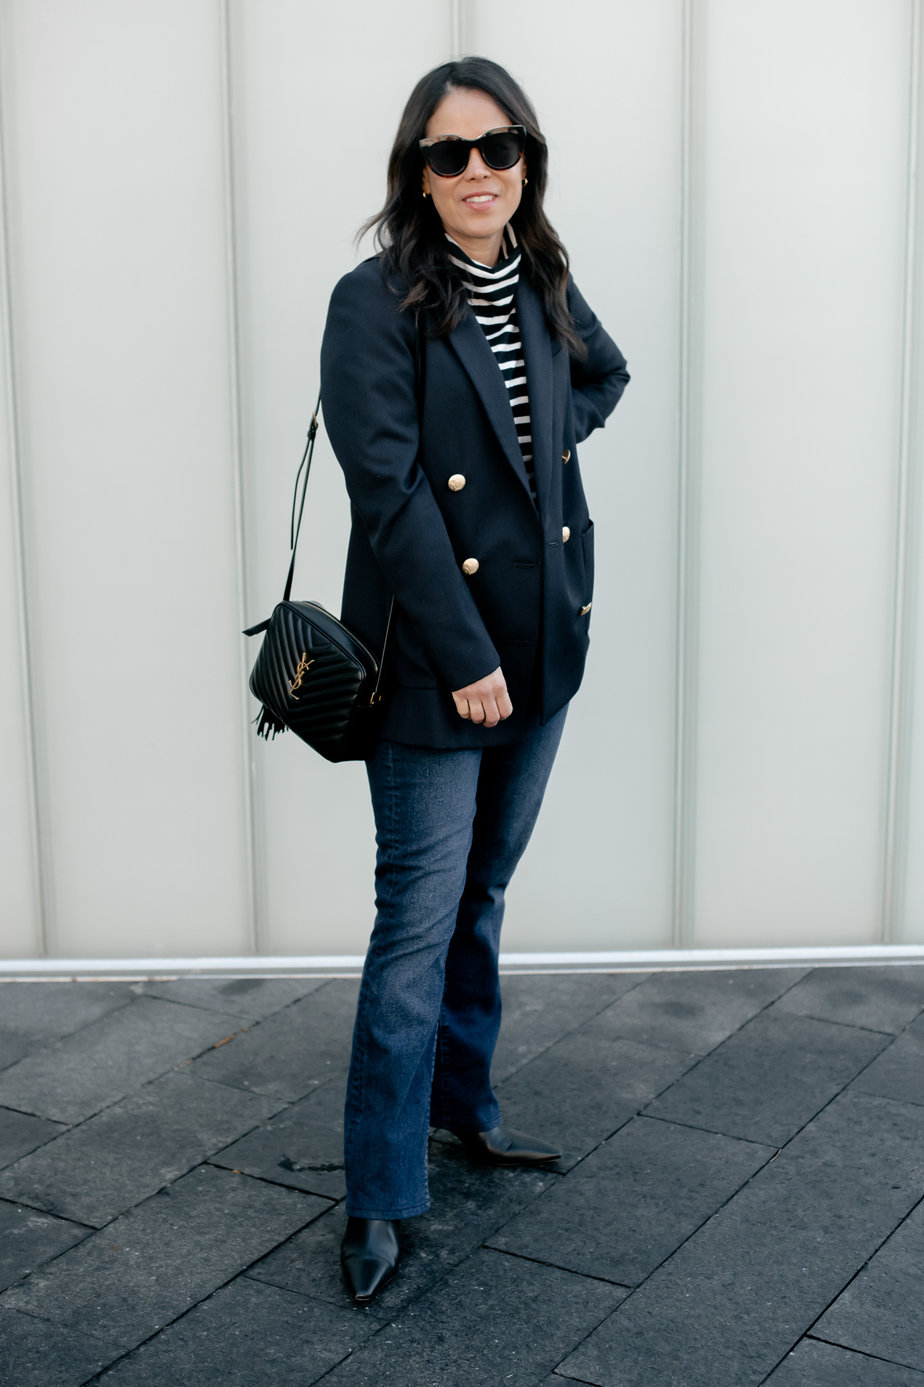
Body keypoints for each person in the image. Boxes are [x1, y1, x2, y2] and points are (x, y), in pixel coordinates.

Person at [319, 56, 629, 1304]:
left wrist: (541, 465)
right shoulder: (372, 301)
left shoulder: (544, 275)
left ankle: (465, 1109)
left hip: (545, 650)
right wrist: (469, 662)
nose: (478, 172)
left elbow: (599, 377)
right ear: (417, 172)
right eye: (449, 154)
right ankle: (380, 1197)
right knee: (415, 930)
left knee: (482, 897)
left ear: (526, 162)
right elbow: (388, 499)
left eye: (499, 149)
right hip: (438, 673)